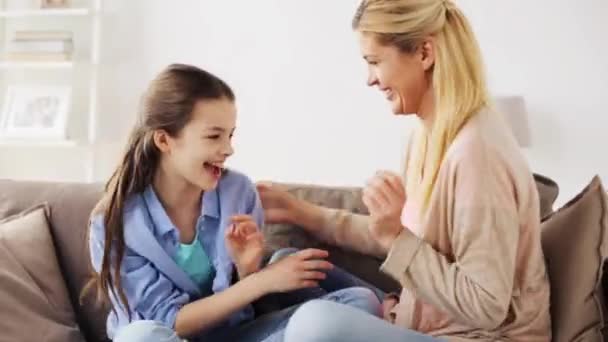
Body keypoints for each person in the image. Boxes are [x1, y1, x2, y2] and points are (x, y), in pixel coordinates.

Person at [258, 0, 551, 341]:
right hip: (417, 320)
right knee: (288, 265)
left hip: (480, 337)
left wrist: (397, 238)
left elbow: (487, 305)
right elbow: (400, 235)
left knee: (316, 323)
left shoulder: (477, 154)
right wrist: (300, 212)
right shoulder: (428, 136)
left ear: (425, 53)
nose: (370, 80)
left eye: (374, 62)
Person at [84, 64, 381, 342]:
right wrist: (262, 281)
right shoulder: (115, 223)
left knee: (358, 303)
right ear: (164, 141)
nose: (228, 149)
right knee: (140, 337)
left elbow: (242, 313)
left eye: (230, 135)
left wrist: (247, 268)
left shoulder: (237, 192)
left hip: (238, 335)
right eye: (214, 136)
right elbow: (168, 320)